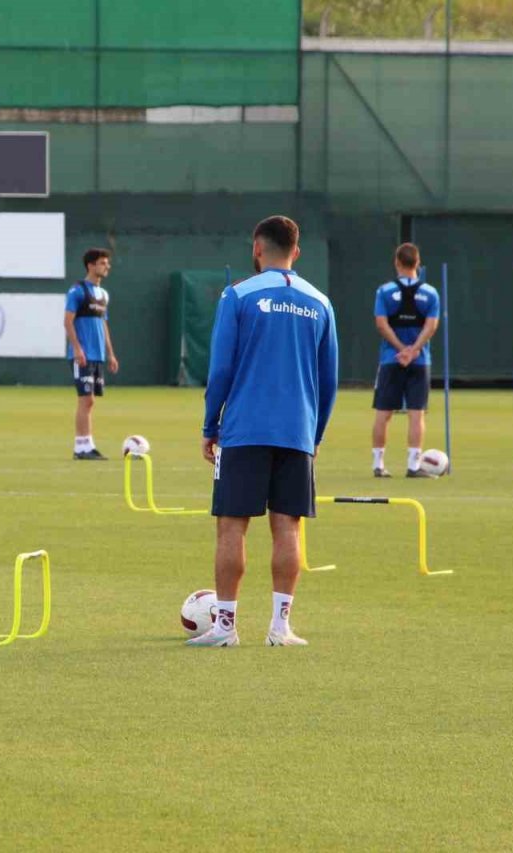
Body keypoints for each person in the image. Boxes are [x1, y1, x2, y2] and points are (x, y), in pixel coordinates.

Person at [190, 215, 338, 647]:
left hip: (244, 429)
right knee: (287, 527)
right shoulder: (320, 302)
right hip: (297, 431)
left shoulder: (237, 294)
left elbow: (220, 368)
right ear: (298, 251)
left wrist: (209, 424)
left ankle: (225, 628)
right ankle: (280, 627)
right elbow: (328, 381)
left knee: (232, 525)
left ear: (257, 248)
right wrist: (315, 433)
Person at [370, 243, 441, 478]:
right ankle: (413, 465)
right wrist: (414, 349)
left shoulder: (384, 291)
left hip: (391, 358)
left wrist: (401, 349)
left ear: (397, 262)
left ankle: (378, 465)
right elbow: (431, 325)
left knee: (383, 412)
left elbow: (381, 323)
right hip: (420, 360)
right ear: (417, 263)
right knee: (416, 413)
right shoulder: (430, 293)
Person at [63, 248, 119, 460]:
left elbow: (103, 324)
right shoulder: (77, 291)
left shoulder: (103, 294)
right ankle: (81, 447)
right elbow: (68, 321)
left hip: (98, 355)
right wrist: (77, 348)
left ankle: (87, 444)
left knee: (91, 401)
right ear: (91, 265)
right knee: (85, 399)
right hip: (83, 354)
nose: (107, 267)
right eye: (103, 263)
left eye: (107, 263)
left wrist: (111, 354)